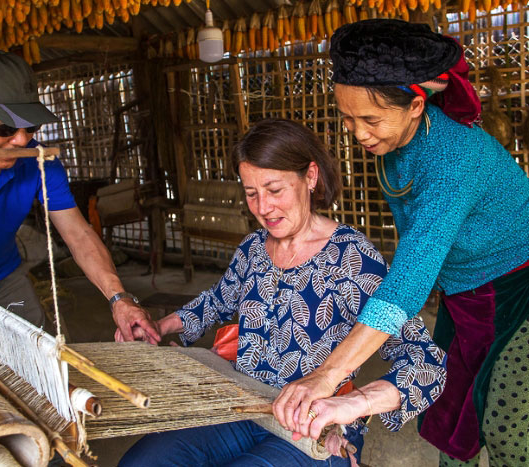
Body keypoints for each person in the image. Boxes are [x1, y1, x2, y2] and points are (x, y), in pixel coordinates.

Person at [117, 119, 446, 466]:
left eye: (275, 190)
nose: (263, 208)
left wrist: (354, 404)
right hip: (242, 403)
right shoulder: (253, 249)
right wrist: (159, 327)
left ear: (310, 177)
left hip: (311, 426)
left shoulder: (351, 258)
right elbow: (216, 301)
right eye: (251, 193)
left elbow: (427, 363)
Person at [281, 20, 529, 466]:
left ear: (416, 106)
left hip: (518, 287)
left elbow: (409, 280)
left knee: (507, 424)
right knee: (450, 416)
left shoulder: (453, 159)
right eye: (348, 118)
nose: (358, 133)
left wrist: (327, 375)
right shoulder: (394, 147)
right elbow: (417, 248)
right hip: (463, 292)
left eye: (370, 119)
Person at [0, 50, 159, 344]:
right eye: (5, 128)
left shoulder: (39, 162)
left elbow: (79, 234)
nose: (20, 140)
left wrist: (119, 298)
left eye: (29, 127)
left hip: (5, 279)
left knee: (49, 360)